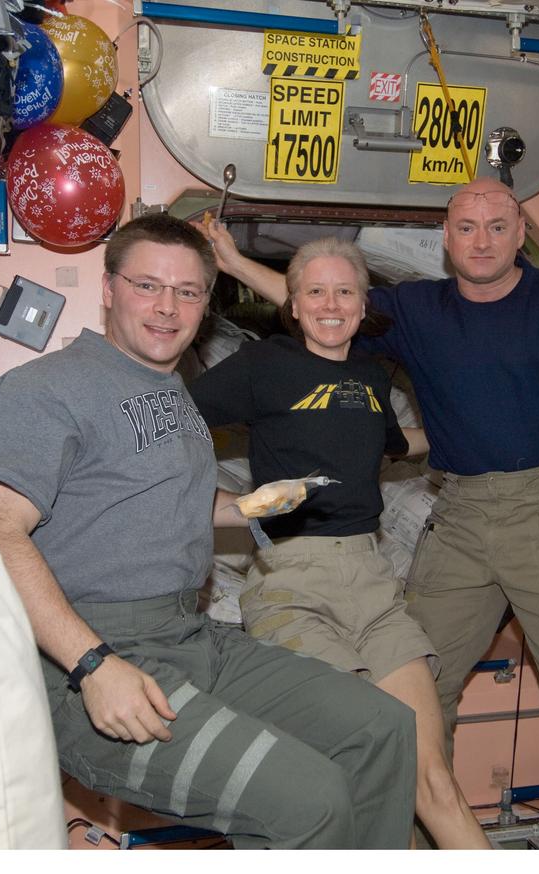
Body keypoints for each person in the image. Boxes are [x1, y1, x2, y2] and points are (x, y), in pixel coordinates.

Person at [204, 178, 539, 848]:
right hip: (458, 519)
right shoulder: (417, 310)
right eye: (465, 227)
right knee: (417, 700)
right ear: (446, 239)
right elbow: (326, 308)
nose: (481, 240)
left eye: (497, 226)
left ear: (519, 234)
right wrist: (234, 263)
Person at [0, 213, 417, 849]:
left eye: (187, 292)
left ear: (206, 304)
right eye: (147, 285)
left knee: (384, 726)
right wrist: (93, 665)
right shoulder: (46, 389)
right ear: (108, 289)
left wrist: (246, 506)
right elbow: (1, 533)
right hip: (92, 653)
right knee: (311, 800)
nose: (167, 307)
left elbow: (154, 491)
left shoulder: (172, 386)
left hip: (190, 634)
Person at [188, 237, 491, 849]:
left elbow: (390, 442)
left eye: (345, 291)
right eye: (315, 292)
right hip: (293, 586)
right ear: (292, 306)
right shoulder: (264, 365)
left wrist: (465, 430)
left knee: (431, 781)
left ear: (363, 303)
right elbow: (177, 419)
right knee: (352, 781)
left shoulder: (368, 377)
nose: (331, 304)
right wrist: (205, 506)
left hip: (374, 586)